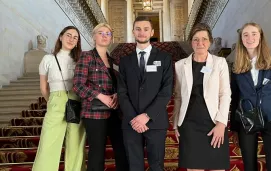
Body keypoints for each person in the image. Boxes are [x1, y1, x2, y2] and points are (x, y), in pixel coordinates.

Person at [230, 22, 271, 171]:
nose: (250, 38)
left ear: (261, 37)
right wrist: (235, 129)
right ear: (241, 39)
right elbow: (235, 98)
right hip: (246, 119)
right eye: (245, 35)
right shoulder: (236, 66)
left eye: (254, 34)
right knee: (249, 166)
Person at [117, 16, 173, 171]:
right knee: (134, 167)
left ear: (152, 32)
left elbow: (166, 91)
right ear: (133, 32)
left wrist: (147, 115)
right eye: (138, 29)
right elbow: (121, 92)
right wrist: (134, 118)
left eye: (146, 29)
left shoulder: (164, 58)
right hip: (131, 123)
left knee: (156, 166)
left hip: (155, 121)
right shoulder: (124, 61)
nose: (142, 32)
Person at [173, 23, 231, 171]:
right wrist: (175, 123)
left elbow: (225, 94)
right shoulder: (180, 65)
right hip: (189, 124)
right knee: (194, 168)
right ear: (191, 42)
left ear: (210, 41)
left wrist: (221, 124)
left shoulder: (220, 63)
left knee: (217, 168)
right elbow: (178, 96)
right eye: (196, 39)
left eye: (204, 39)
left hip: (213, 122)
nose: (200, 43)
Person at [73, 23, 128, 171]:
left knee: (122, 151)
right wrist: (100, 96)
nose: (104, 36)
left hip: (116, 112)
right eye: (100, 33)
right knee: (97, 153)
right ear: (94, 36)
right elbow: (78, 85)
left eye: (108, 34)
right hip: (94, 113)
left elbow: (120, 83)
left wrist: (117, 94)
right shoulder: (86, 56)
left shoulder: (115, 60)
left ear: (111, 38)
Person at [33, 26, 85, 171]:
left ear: (77, 42)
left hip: (76, 100)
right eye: (68, 35)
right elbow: (43, 88)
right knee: (48, 142)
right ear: (61, 37)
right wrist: (53, 101)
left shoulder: (80, 59)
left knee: (75, 142)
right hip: (56, 99)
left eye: (75, 38)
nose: (71, 39)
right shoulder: (48, 59)